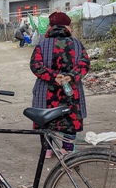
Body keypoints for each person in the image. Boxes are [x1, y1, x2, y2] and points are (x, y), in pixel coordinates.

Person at [29, 11, 90, 158]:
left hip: (46, 91)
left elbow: (35, 65)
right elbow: (84, 63)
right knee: (70, 119)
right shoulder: (76, 44)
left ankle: (47, 150)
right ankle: (67, 149)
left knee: (46, 119)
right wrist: (71, 76)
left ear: (50, 27)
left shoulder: (42, 44)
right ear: (67, 27)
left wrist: (53, 76)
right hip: (71, 90)